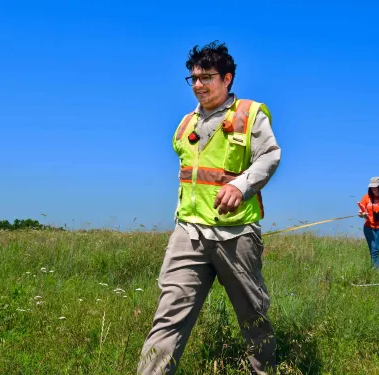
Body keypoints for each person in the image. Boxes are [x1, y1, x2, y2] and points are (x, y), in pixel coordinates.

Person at [137, 41, 281, 375]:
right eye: (193, 79)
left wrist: (240, 185)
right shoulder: (186, 123)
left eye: (207, 77)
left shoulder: (249, 114)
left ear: (227, 78)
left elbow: (270, 155)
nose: (199, 85)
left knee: (253, 317)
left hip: (236, 235)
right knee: (169, 317)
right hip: (188, 232)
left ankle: (265, 371)